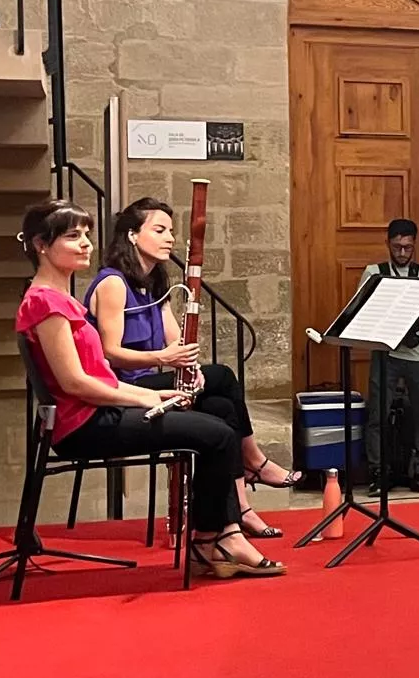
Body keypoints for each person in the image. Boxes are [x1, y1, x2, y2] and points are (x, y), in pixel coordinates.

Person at [15, 200, 283, 579]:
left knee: (218, 419)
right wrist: (145, 395)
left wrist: (158, 393)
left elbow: (95, 374)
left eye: (87, 235)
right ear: (42, 245)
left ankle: (222, 534)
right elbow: (76, 383)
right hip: (86, 425)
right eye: (73, 236)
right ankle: (213, 539)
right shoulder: (46, 302)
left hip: (100, 412)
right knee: (220, 436)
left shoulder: (62, 300)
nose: (86, 244)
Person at [84, 197, 300, 540]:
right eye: (159, 230)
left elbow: (177, 342)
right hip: (128, 388)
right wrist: (165, 359)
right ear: (132, 236)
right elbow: (110, 354)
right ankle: (255, 461)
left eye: (171, 231)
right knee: (226, 377)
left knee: (221, 407)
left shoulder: (155, 282)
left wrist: (191, 367)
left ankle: (238, 509)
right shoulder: (113, 283)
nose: (170, 238)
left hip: (157, 378)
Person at [358, 218, 419, 495]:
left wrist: (414, 297)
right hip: (385, 350)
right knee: (378, 414)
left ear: (415, 245)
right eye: (397, 247)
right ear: (388, 245)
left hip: (418, 352)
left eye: (408, 248)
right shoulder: (374, 272)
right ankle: (379, 473)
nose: (402, 253)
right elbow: (362, 312)